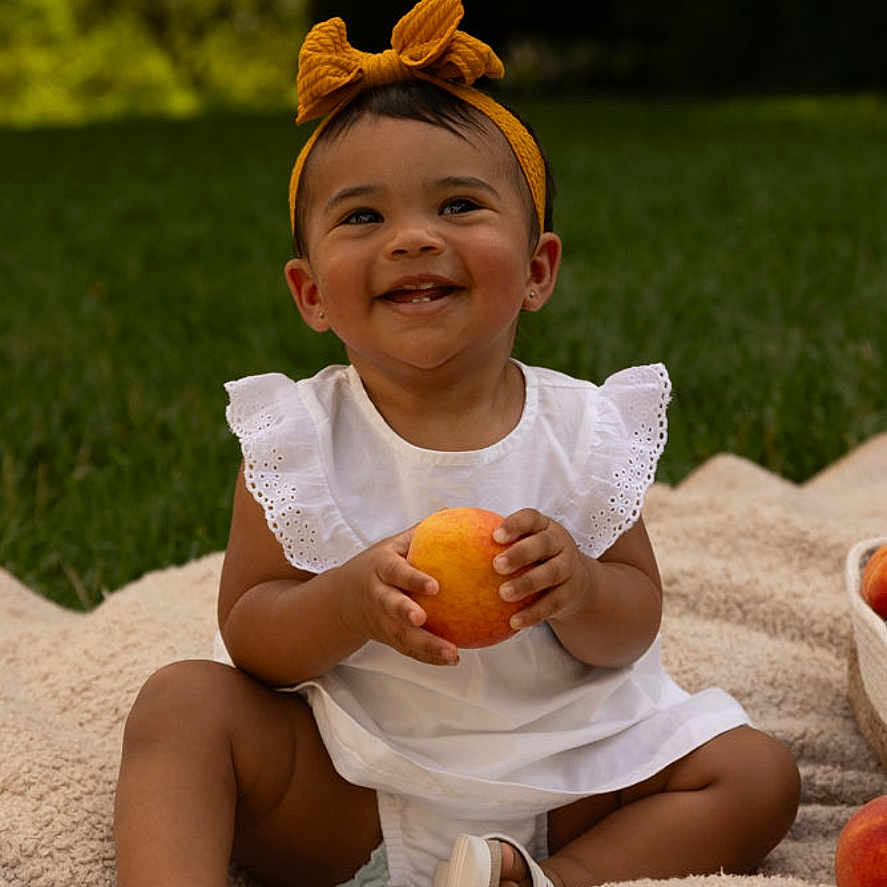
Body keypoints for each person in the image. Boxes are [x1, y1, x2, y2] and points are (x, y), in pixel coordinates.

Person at [113, 2, 801, 885]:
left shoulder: (583, 429)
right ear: (311, 293)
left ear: (537, 270)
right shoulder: (298, 441)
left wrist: (580, 585)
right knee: (182, 702)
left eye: (459, 203)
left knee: (754, 773)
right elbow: (252, 633)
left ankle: (541, 878)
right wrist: (347, 602)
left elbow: (632, 622)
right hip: (355, 778)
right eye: (361, 218)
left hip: (568, 775)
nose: (412, 236)